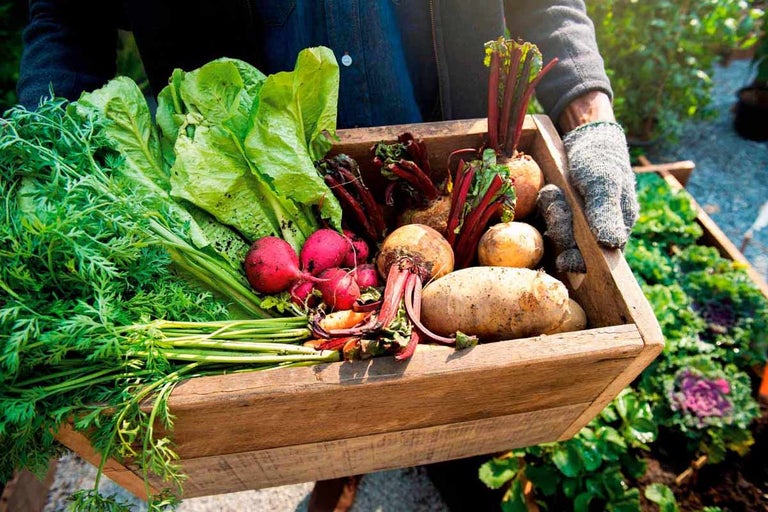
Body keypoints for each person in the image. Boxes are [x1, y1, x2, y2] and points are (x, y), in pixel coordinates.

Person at [16, 0, 638, 510]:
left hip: (448, 171)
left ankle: (402, 466)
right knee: (328, 399)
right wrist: (41, 159)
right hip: (267, 180)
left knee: (456, 399)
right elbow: (67, 15)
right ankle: (338, 470)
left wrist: (588, 111)